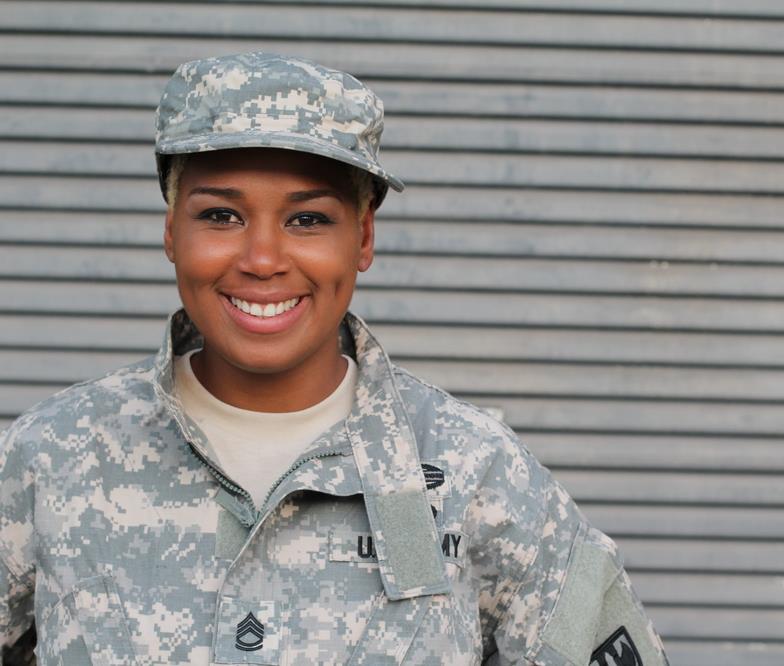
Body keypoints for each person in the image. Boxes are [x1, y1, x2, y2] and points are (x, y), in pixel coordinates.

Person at [0, 51, 669, 665]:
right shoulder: (50, 460)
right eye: (220, 216)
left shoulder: (477, 474)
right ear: (172, 231)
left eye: (309, 219)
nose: (262, 260)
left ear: (364, 237)